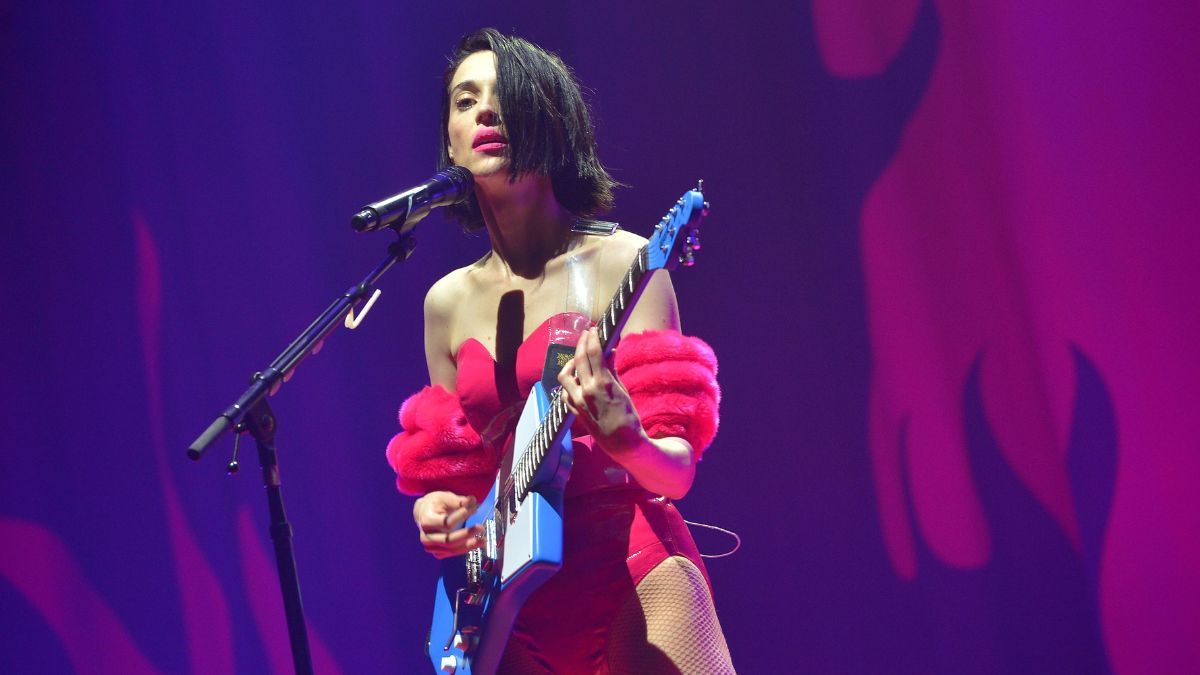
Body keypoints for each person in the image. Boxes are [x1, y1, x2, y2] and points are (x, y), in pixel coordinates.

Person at [386, 28, 734, 673]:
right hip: (512, 615)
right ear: (450, 140)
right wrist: (438, 513)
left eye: (505, 96)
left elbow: (677, 474)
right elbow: (465, 488)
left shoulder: (625, 262)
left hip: (635, 574)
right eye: (465, 101)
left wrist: (627, 439)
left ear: (550, 123)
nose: (484, 111)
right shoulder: (446, 304)